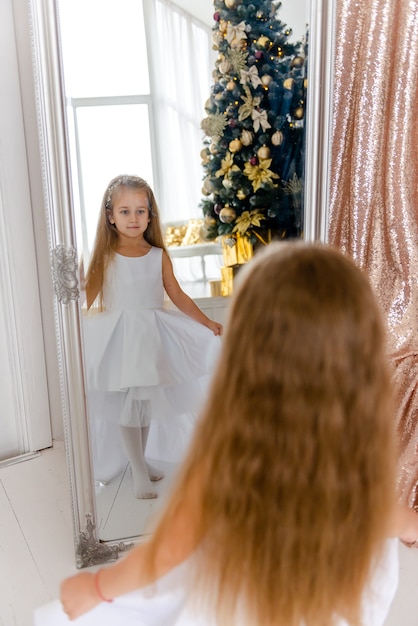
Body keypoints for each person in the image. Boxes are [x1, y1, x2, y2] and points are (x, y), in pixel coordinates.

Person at [36, 242, 418, 626]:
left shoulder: (227, 466)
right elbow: (390, 518)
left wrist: (97, 587)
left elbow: (167, 552)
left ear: (245, 355)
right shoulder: (356, 471)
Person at [81, 174, 222, 499]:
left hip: (151, 338)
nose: (134, 218)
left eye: (140, 211)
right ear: (110, 215)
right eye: (125, 211)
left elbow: (178, 295)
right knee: (128, 406)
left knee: (142, 405)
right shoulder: (105, 257)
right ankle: (139, 471)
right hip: (120, 340)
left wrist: (206, 322)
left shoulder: (158, 255)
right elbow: (85, 299)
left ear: (150, 214)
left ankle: (139, 462)